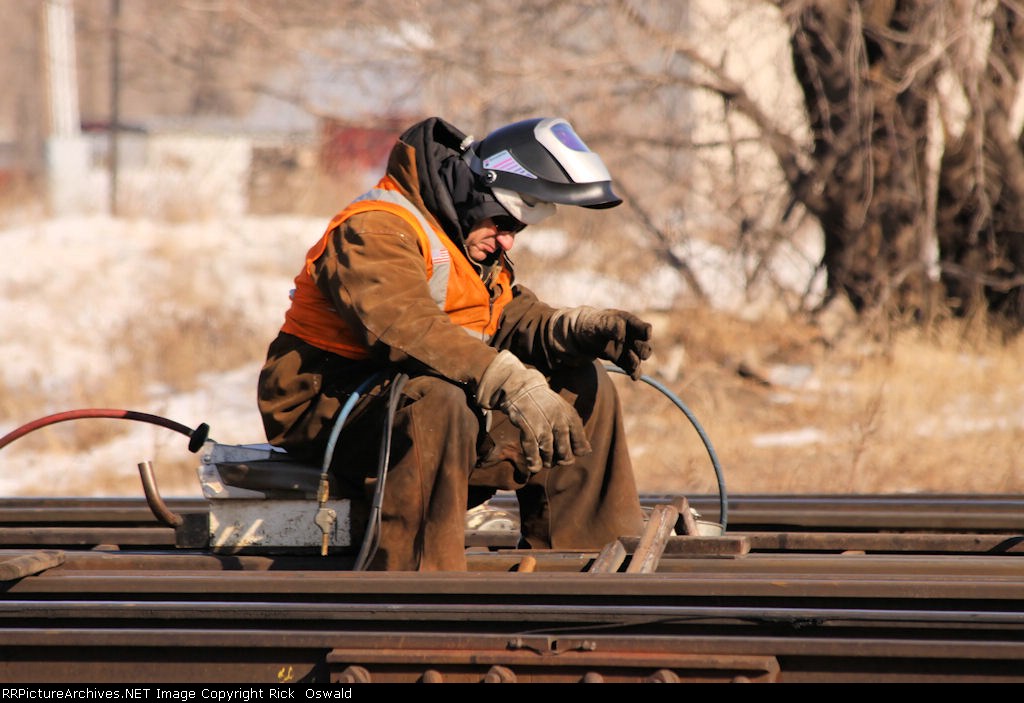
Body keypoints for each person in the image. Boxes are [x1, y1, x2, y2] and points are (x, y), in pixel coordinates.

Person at [257, 116, 653, 571]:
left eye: (518, 230)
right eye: (503, 221)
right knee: (437, 399)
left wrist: (573, 329)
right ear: (474, 191)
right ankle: (421, 580)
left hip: (413, 400)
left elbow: (501, 317)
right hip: (325, 405)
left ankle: (578, 563)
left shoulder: (465, 240)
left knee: (581, 382)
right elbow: (405, 324)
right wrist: (507, 380)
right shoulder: (377, 229)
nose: (507, 239)